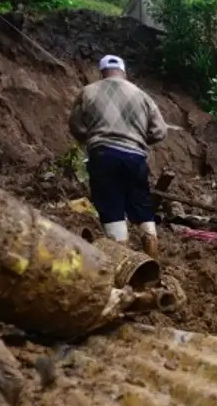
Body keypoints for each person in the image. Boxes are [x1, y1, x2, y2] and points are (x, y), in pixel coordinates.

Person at [68, 54, 167, 257]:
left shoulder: (87, 92)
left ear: (102, 72)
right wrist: (139, 141)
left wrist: (91, 139)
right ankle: (153, 260)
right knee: (142, 207)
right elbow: (160, 131)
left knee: (111, 207)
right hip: (135, 159)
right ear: (124, 71)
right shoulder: (142, 96)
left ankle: (123, 262)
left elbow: (76, 125)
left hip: (103, 155)